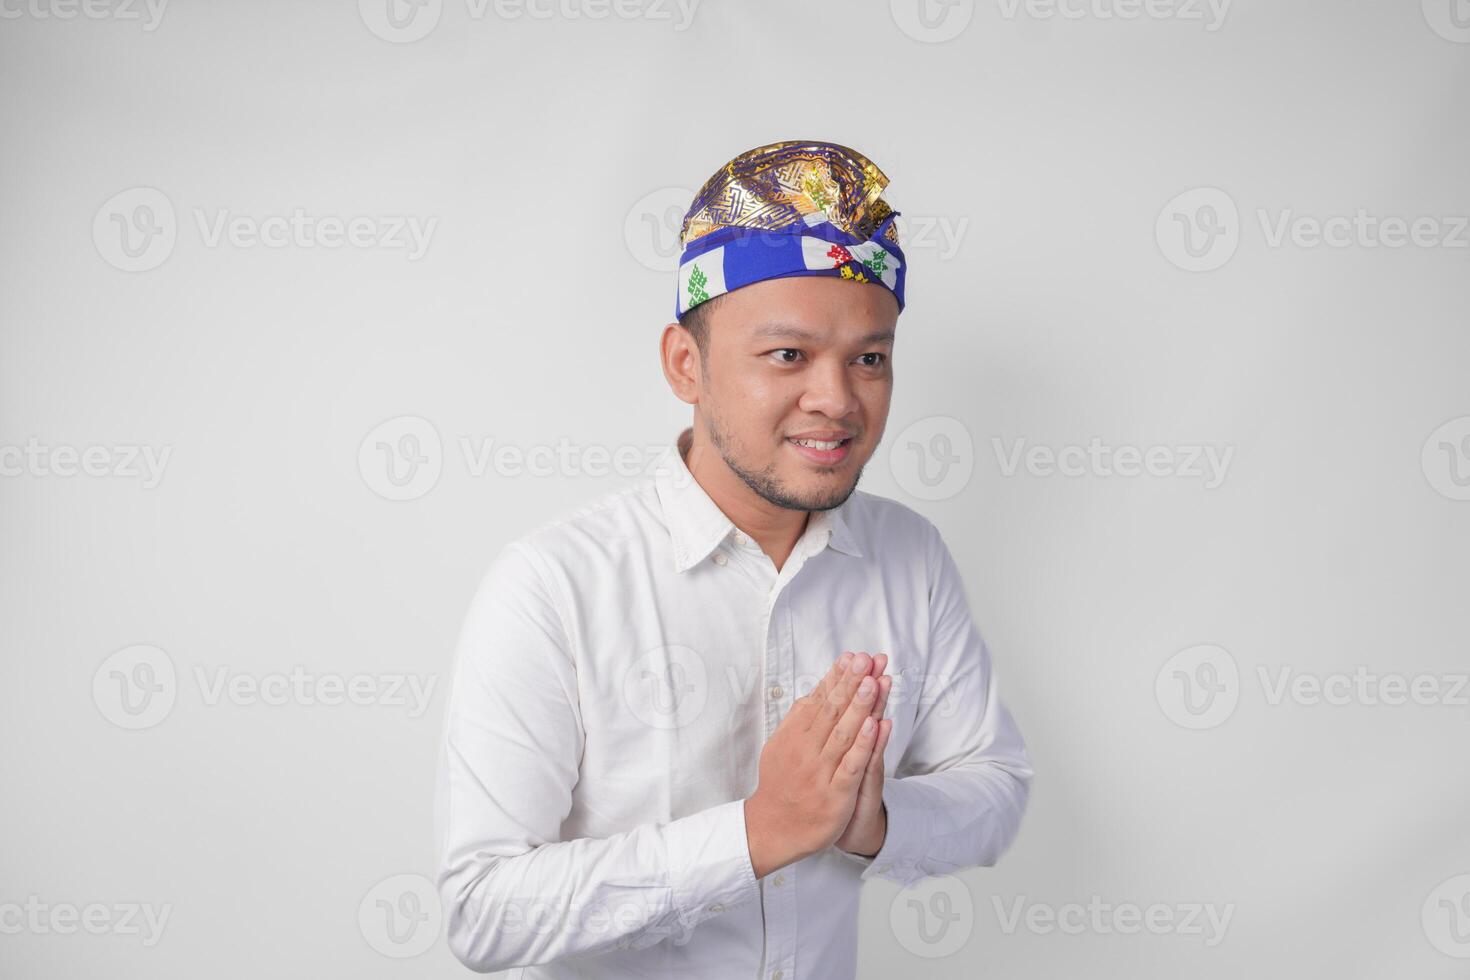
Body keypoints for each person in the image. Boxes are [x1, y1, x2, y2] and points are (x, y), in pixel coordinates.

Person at [433, 139, 1033, 979]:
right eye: (787, 355)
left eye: (870, 358)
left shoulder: (909, 557)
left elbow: (996, 786)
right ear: (688, 364)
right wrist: (759, 831)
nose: (836, 398)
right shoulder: (554, 586)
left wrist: (875, 822)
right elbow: (484, 911)